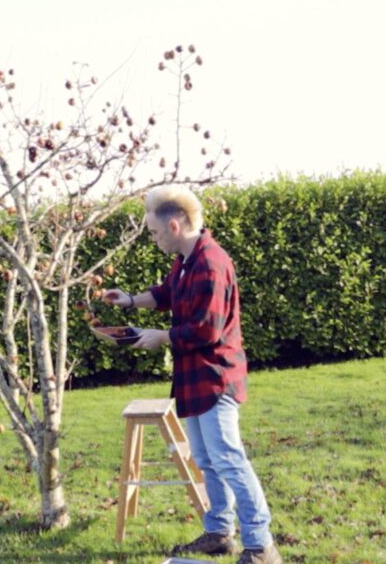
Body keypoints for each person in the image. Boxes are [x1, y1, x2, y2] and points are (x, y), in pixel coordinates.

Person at [103, 186, 282, 564]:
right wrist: (131, 300)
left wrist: (159, 337)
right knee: (206, 457)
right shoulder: (187, 260)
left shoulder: (211, 264)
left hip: (216, 378)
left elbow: (206, 331)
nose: (153, 240)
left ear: (173, 224)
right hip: (194, 378)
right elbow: (169, 293)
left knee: (229, 458)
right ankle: (219, 532)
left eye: (154, 233)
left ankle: (261, 545)